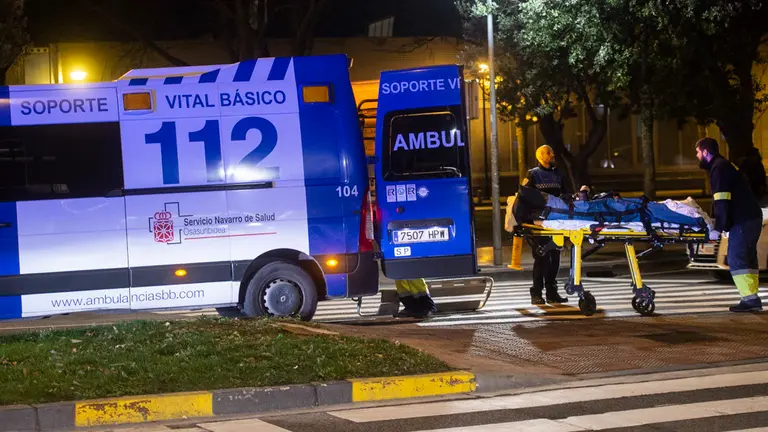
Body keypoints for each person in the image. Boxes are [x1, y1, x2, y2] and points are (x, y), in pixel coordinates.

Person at [696, 137, 763, 312]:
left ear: (705, 151)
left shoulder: (718, 169)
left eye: (697, 152)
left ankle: (750, 300)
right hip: (750, 216)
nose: (697, 156)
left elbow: (722, 200)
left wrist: (718, 228)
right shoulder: (725, 165)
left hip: (743, 219)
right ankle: (751, 297)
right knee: (747, 258)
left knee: (736, 258)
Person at [522, 145, 571, 305]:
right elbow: (525, 197)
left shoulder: (559, 174)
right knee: (541, 258)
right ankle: (536, 293)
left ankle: (552, 292)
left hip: (557, 221)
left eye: (552, 151)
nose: (552, 154)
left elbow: (567, 194)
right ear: (540, 156)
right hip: (539, 223)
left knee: (555, 258)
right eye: (549, 152)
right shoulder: (533, 174)